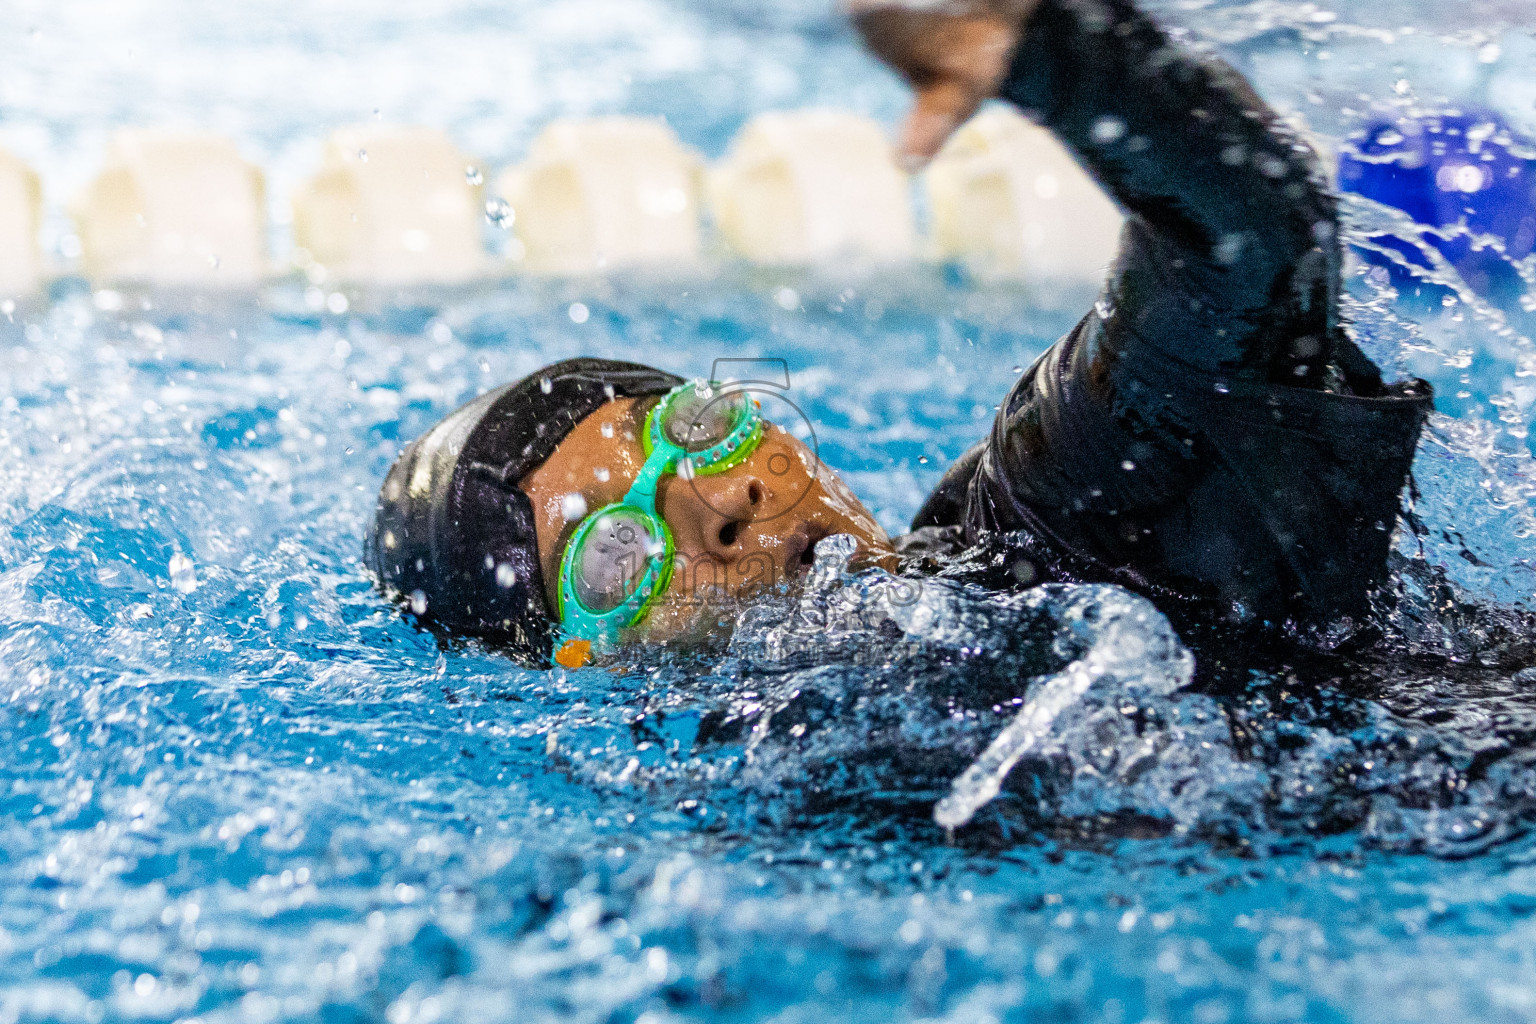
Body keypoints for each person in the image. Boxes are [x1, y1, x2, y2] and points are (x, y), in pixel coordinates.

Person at [365, 0, 1432, 666]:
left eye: (696, 428)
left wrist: (1046, 50)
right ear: (583, 660)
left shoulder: (1052, 525)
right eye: (619, 553)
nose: (717, 508)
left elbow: (1250, 233)